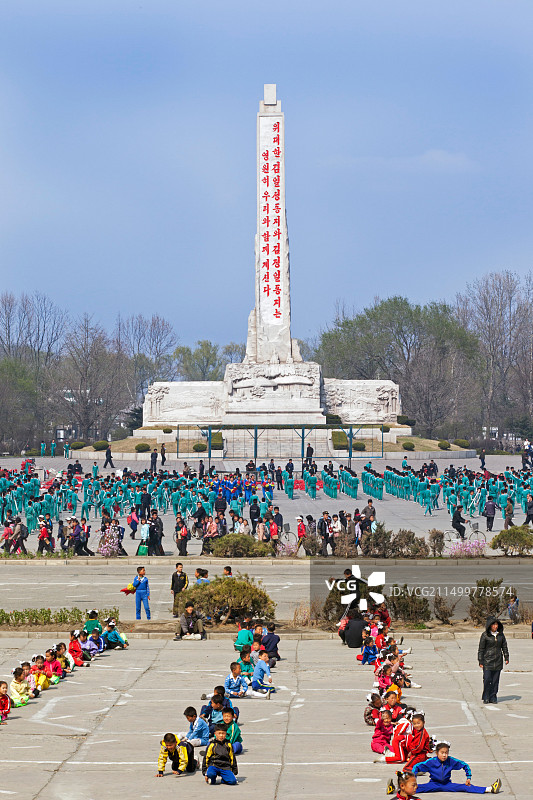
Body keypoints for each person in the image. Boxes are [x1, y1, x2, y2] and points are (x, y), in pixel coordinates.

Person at [412, 741, 501, 793]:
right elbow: (416, 767)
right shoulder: (431, 762)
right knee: (415, 789)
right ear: (436, 753)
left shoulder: (451, 761)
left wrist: (468, 778)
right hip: (433, 784)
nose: (444, 755)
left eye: (446, 753)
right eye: (442, 753)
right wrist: (413, 781)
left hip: (447, 784)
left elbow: (465, 765)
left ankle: (490, 789)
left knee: (466, 787)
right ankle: (400, 791)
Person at [478, 616, 509, 704]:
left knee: (495, 681)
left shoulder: (501, 635)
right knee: (487, 679)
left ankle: (493, 696)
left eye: (496, 624)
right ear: (490, 625)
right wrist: (480, 661)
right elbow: (481, 649)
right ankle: (486, 696)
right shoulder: (485, 635)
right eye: (493, 624)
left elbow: (504, 647)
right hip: (487, 661)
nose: (495, 626)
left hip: (498, 661)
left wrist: (506, 657)